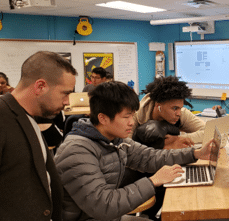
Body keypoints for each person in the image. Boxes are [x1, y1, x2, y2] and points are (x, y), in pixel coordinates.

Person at [54, 81, 214, 221]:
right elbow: (104, 206)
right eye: (126, 117)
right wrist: (153, 181)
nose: (132, 123)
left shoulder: (115, 141)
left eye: (132, 116)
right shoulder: (77, 151)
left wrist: (195, 154)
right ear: (103, 118)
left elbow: (151, 157)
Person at [0, 51, 77, 220]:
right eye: (65, 93)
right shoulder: (1, 116)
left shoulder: (27, 116)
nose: (67, 102)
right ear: (40, 86)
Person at [129, 76, 205, 149]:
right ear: (158, 106)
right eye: (175, 108)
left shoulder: (182, 113)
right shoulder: (134, 115)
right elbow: (125, 145)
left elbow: (208, 131)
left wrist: (178, 139)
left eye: (180, 108)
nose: (179, 113)